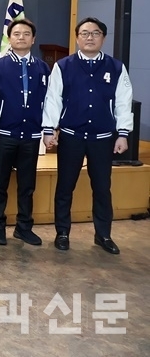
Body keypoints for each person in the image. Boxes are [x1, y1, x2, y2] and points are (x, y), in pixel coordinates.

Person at [42, 17, 133, 255]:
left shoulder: (116, 67)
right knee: (65, 186)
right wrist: (49, 129)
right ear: (77, 38)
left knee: (102, 188)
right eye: (84, 33)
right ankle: (62, 232)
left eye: (95, 33)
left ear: (103, 37)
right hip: (71, 136)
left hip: (103, 138)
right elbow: (53, 99)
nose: (89, 37)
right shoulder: (63, 66)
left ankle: (103, 234)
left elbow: (123, 102)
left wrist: (123, 134)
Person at [0, 19, 50, 246]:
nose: (21, 37)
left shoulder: (43, 68)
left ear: (33, 39)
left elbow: (49, 101)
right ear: (9, 38)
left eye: (26, 34)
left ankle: (24, 228)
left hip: (31, 135)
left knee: (27, 186)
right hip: (4, 133)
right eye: (16, 34)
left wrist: (49, 128)